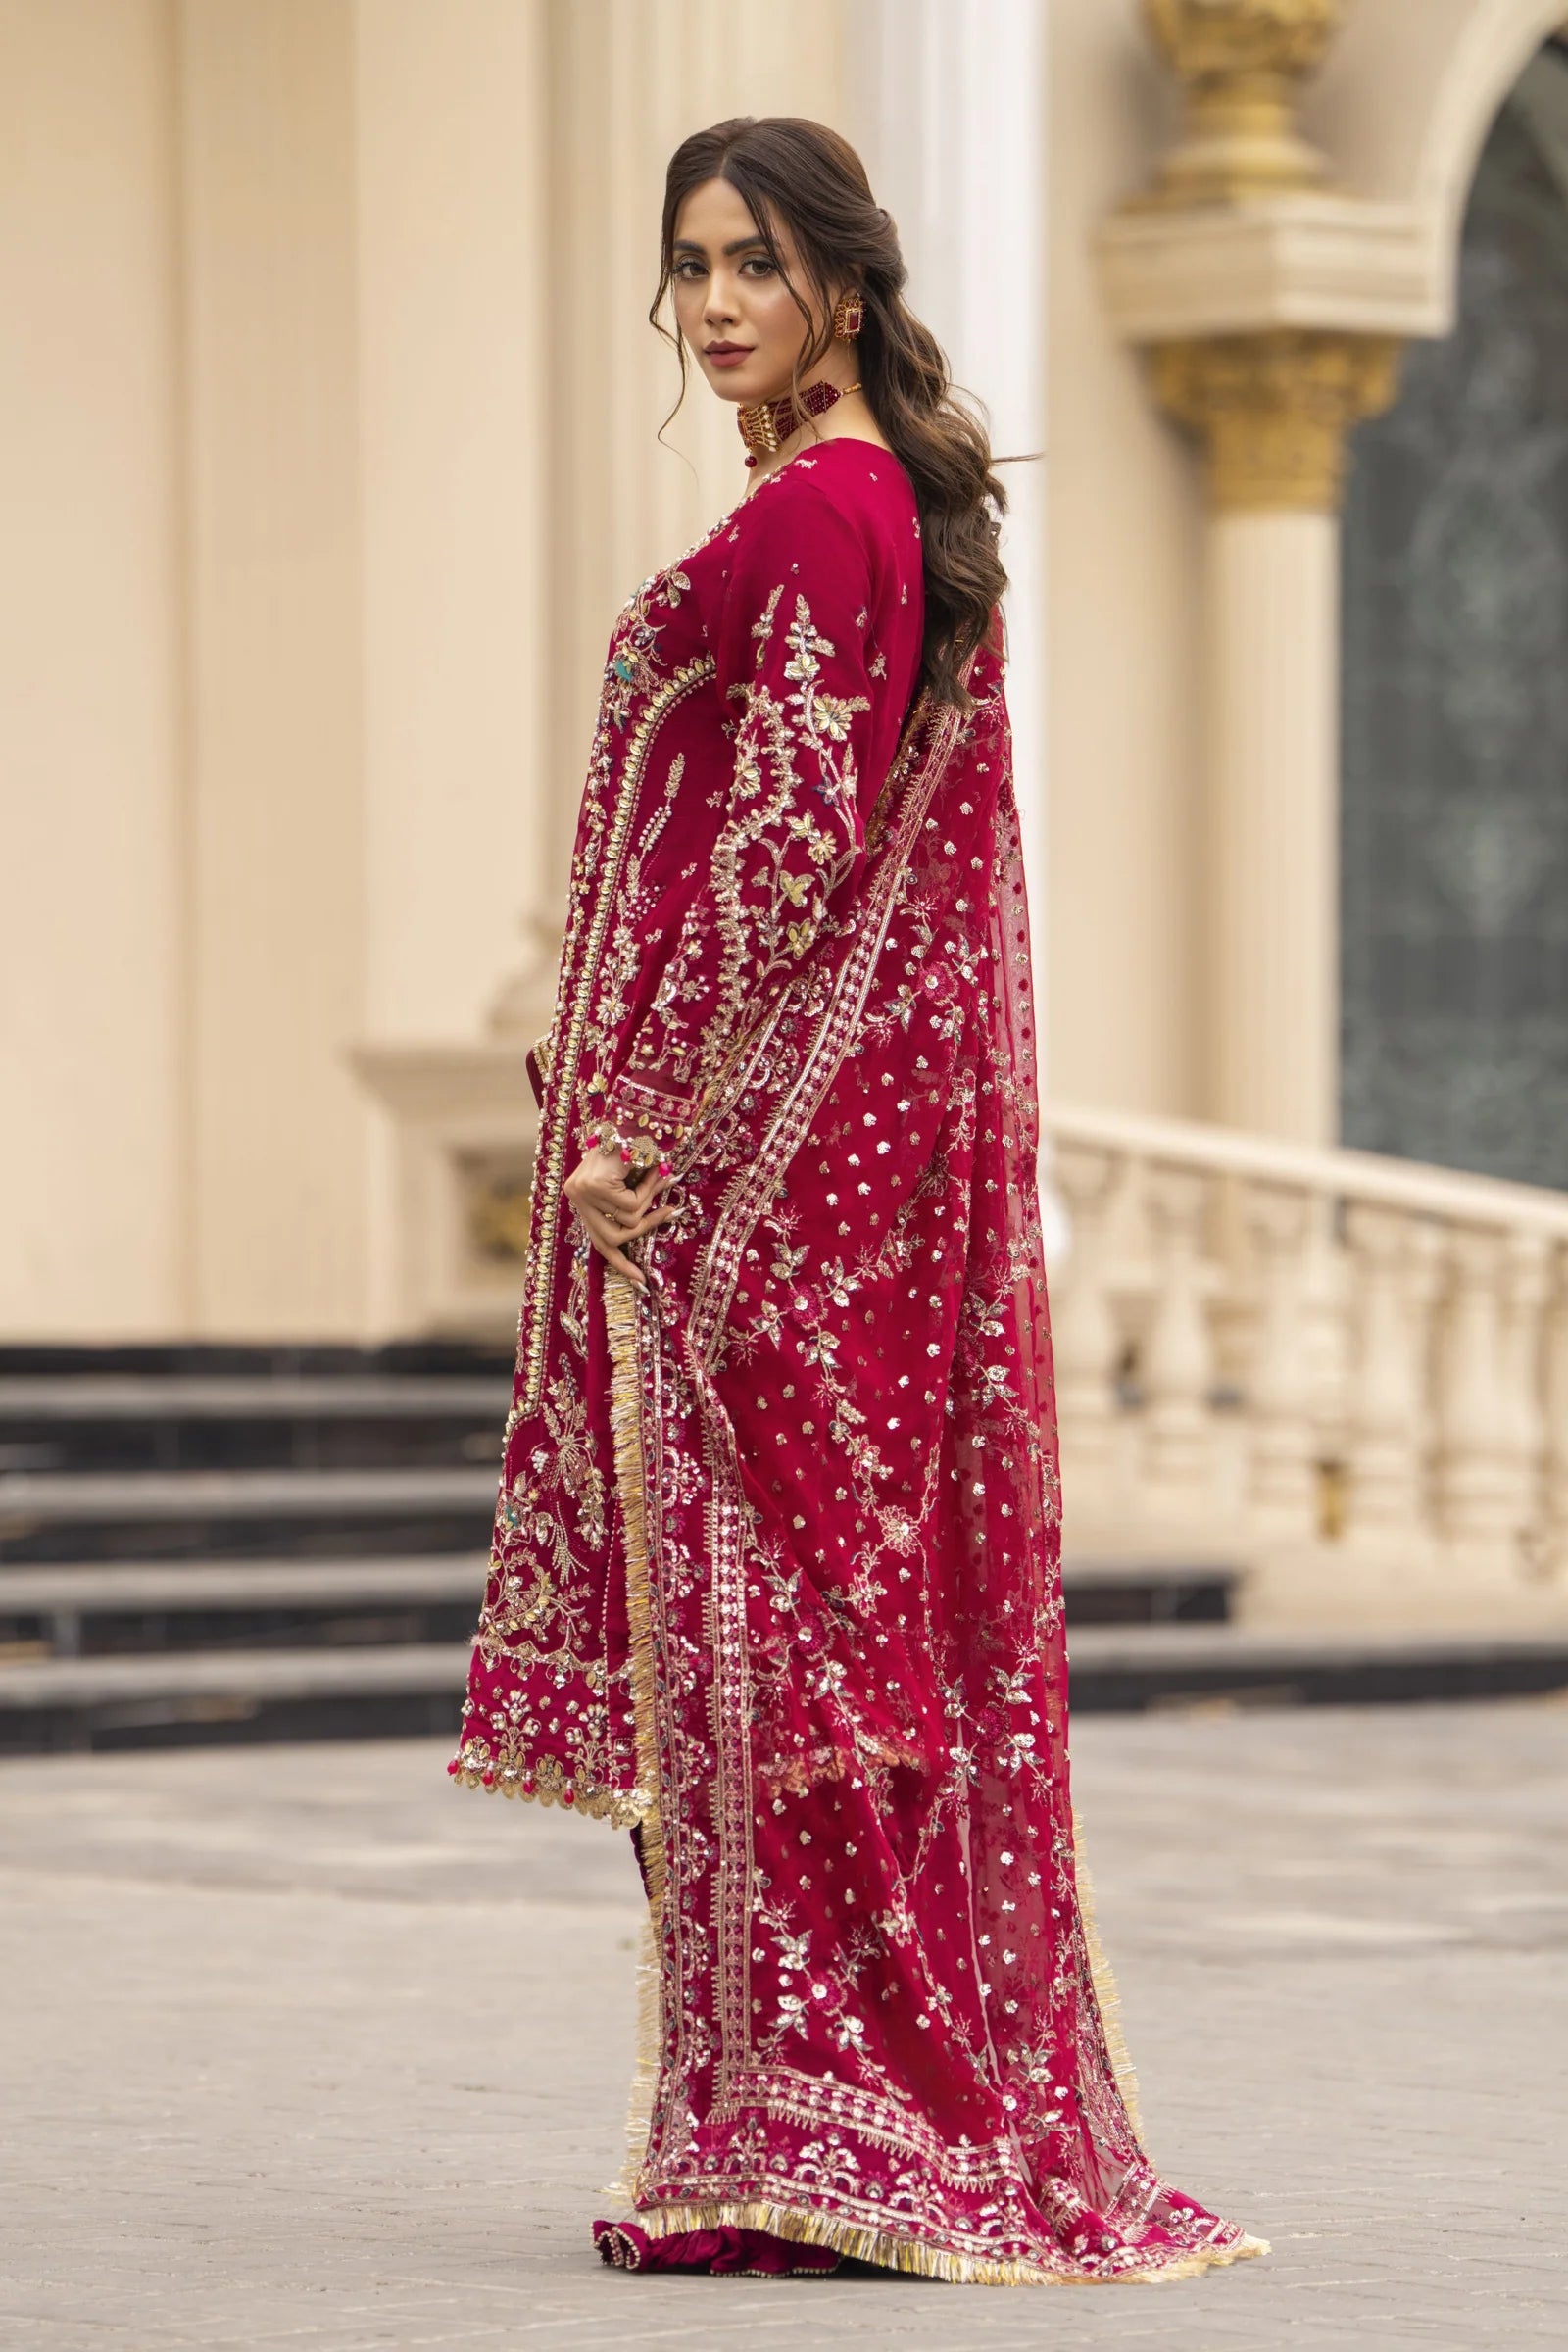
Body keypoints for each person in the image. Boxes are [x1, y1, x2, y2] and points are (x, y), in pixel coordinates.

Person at [451, 113, 1265, 2287]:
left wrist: (640, 1126)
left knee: (779, 1660)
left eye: (754, 260)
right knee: (826, 1649)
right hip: (817, 1185)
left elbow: (785, 847)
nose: (715, 301)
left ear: (841, 275)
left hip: (753, 1200)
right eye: (688, 264)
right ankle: (845, 2119)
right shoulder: (876, 493)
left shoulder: (823, 508)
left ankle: (827, 2135)